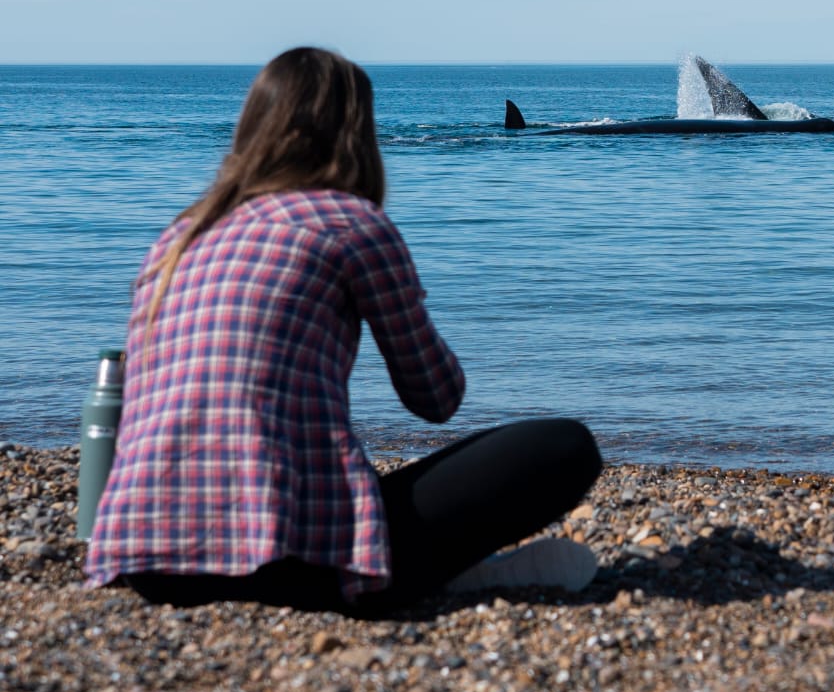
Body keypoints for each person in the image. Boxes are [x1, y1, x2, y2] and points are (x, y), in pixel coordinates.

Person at [85, 47, 603, 613]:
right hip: (288, 564)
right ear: (357, 132)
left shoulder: (178, 237)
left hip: (147, 562)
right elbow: (437, 399)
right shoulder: (351, 223)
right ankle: (441, 576)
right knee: (565, 446)